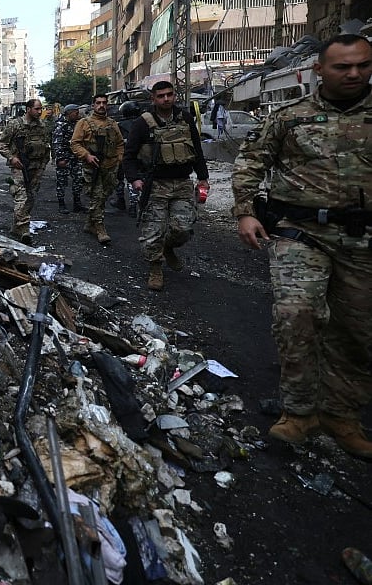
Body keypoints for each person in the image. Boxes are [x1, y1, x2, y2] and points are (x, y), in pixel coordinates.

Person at [232, 33, 372, 458]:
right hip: (299, 232)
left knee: (357, 328)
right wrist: (245, 211)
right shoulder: (291, 117)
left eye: (362, 65)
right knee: (297, 314)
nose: (354, 74)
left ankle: (341, 415)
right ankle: (299, 411)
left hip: (362, 239)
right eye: (342, 66)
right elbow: (251, 160)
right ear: (318, 70)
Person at [122, 80, 209, 291]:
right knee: (153, 231)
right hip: (156, 185)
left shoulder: (185, 118)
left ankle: (168, 247)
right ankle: (155, 268)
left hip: (182, 183)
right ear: (153, 98)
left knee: (183, 228)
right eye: (161, 96)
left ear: (174, 96)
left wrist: (203, 177)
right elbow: (129, 156)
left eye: (169, 94)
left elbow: (196, 150)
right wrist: (134, 179)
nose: (166, 99)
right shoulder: (143, 123)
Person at [71, 95, 125, 245]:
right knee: (96, 197)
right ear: (93, 105)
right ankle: (100, 228)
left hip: (110, 167)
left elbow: (120, 143)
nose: (101, 105)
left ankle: (90, 223)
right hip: (93, 168)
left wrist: (119, 158)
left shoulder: (112, 124)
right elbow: (75, 144)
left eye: (104, 103)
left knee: (102, 197)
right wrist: (86, 155)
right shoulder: (84, 123)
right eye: (98, 103)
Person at [0, 98, 52, 244]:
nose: (40, 112)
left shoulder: (43, 126)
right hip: (19, 166)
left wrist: (44, 164)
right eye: (37, 109)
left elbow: (46, 145)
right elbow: (2, 144)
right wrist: (12, 158)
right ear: (28, 109)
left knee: (31, 196)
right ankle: (24, 229)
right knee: (21, 197)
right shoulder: (15, 124)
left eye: (41, 109)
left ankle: (17, 227)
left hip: (37, 167)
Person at [51, 104, 85, 215]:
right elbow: (57, 143)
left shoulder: (78, 124)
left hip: (76, 158)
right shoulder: (61, 125)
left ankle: (77, 204)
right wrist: (60, 158)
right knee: (62, 182)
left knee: (78, 181)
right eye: (76, 112)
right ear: (70, 113)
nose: (78, 114)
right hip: (64, 158)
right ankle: (61, 203)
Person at [111, 101, 141, 216]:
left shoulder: (119, 125)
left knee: (119, 180)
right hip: (138, 157)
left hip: (122, 156)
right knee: (133, 180)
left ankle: (121, 201)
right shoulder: (143, 123)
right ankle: (133, 206)